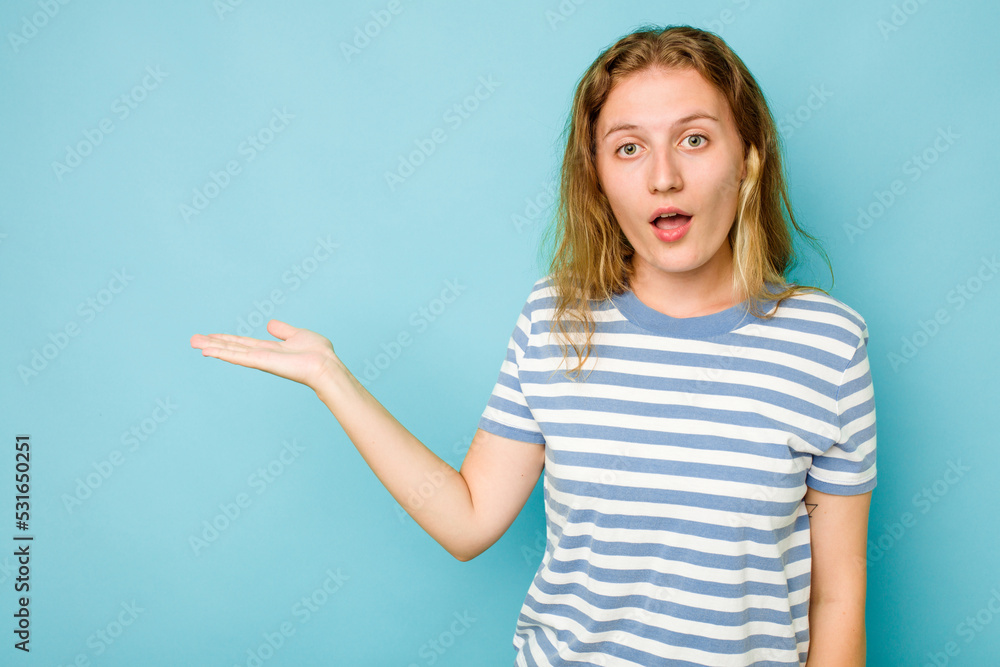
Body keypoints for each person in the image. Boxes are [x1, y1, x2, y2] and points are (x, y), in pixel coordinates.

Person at [190, 24, 875, 667]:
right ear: (600, 179)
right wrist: (331, 378)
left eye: (694, 139)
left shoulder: (828, 345)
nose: (662, 176)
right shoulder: (555, 318)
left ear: (749, 159)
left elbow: (837, 595)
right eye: (628, 147)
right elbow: (468, 520)